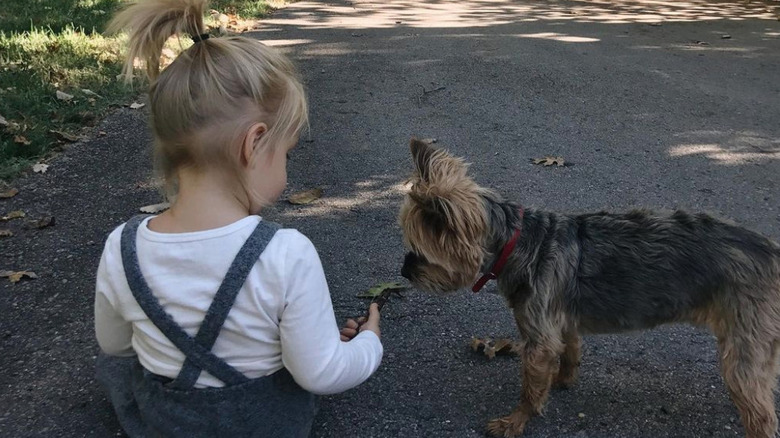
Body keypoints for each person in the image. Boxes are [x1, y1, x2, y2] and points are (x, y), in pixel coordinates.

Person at [94, 1, 383, 436]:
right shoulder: (285, 253)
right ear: (254, 144)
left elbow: (113, 344)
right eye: (286, 155)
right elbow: (322, 375)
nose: (287, 172)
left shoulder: (121, 245)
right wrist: (368, 343)